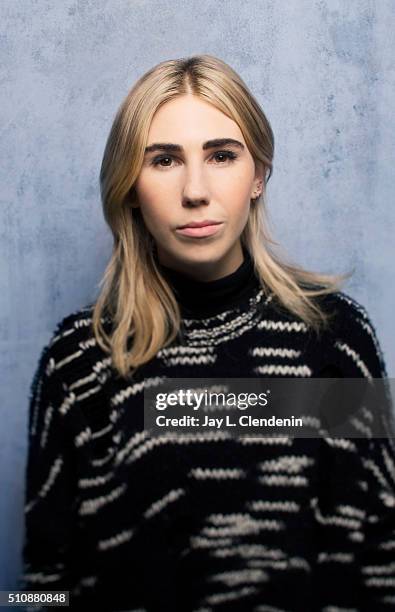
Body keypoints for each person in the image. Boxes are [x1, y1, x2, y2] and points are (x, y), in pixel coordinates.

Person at [19, 55, 395, 612]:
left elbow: (380, 558)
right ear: (129, 186)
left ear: (259, 175)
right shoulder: (79, 361)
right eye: (165, 160)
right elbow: (44, 585)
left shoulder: (334, 338)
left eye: (222, 156)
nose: (196, 190)